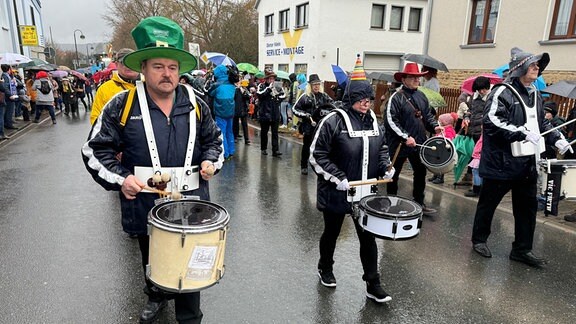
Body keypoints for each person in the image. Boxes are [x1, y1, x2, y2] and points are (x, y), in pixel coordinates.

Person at [82, 16, 223, 323]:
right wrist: (121, 179)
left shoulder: (197, 103)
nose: (166, 73)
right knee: (153, 259)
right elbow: (94, 150)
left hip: (193, 206)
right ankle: (155, 294)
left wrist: (212, 161)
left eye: (172, 67)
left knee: (189, 271)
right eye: (158, 66)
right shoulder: (121, 105)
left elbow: (214, 140)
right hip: (146, 204)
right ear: (143, 68)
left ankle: (189, 315)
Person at [470, 47, 572, 267]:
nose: (537, 68)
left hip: (527, 164)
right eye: (533, 64)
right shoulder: (502, 92)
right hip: (501, 163)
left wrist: (557, 137)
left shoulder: (535, 93)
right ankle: (479, 240)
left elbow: (541, 124)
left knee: (526, 210)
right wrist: (521, 131)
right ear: (520, 68)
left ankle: (522, 249)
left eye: (538, 65)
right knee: (488, 205)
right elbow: (491, 121)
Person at [309, 55, 395, 303]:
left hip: (365, 192)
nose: (365, 103)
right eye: (360, 99)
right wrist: (337, 177)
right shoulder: (333, 121)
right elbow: (317, 155)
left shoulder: (375, 122)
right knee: (332, 232)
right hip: (339, 189)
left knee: (367, 237)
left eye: (368, 98)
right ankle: (325, 266)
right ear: (350, 98)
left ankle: (372, 282)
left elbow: (381, 150)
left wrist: (385, 168)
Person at [384, 63, 442, 215]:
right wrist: (405, 137)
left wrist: (435, 126)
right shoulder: (395, 98)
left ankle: (419, 203)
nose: (417, 80)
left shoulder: (422, 96)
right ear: (404, 79)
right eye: (413, 77)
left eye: (418, 77)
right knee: (393, 174)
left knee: (420, 172)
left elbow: (428, 115)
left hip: (419, 143)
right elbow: (390, 121)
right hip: (399, 144)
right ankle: (391, 202)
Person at [292, 74, 333, 175]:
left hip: (322, 127)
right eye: (314, 84)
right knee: (307, 147)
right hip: (309, 127)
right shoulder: (305, 96)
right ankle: (304, 166)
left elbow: (333, 106)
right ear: (310, 85)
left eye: (318, 84)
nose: (316, 86)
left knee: (323, 148)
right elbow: (294, 108)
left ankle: (321, 166)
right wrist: (305, 115)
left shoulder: (324, 96)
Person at [90, 48, 140, 125]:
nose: (128, 65)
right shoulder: (105, 89)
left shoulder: (150, 85)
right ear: (116, 64)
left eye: (131, 61)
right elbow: (97, 120)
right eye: (123, 62)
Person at [209, 64, 237, 160]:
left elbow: (209, 93)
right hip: (231, 111)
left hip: (220, 112)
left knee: (222, 133)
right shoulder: (231, 84)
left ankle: (225, 153)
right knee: (230, 131)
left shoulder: (217, 85)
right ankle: (231, 150)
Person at [257, 70, 285, 157]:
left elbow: (283, 95)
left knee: (275, 133)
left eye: (273, 78)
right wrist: (269, 89)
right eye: (270, 78)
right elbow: (260, 95)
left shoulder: (278, 86)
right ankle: (263, 148)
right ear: (266, 79)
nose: (272, 80)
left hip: (274, 113)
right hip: (265, 113)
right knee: (264, 132)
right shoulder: (261, 86)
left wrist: (277, 96)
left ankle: (275, 150)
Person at [428, 113, 456, 184]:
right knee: (436, 163)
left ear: (444, 122)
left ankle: (440, 177)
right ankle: (435, 175)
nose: (438, 122)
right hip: (438, 150)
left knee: (441, 164)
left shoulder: (449, 130)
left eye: (440, 121)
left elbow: (449, 139)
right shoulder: (443, 129)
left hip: (444, 150)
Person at [1, 64, 19, 131]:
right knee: (9, 110)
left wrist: (14, 82)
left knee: (10, 110)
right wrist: (10, 95)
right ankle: (8, 124)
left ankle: (8, 123)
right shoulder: (5, 76)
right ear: (8, 69)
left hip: (9, 95)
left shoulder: (7, 76)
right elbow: (5, 87)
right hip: (8, 96)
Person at [233, 79, 251, 144]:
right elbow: (233, 97)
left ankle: (246, 139)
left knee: (245, 125)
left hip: (244, 109)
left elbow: (248, 97)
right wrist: (238, 88)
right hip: (236, 108)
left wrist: (244, 93)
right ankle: (235, 136)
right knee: (235, 124)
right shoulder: (236, 90)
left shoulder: (246, 91)